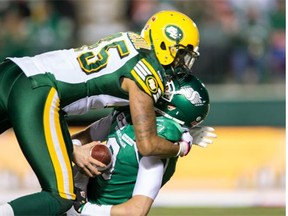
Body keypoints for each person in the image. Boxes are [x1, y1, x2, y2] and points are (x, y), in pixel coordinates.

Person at [0, 10, 201, 215]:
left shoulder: (130, 40)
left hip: (13, 70)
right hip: (38, 89)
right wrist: (182, 147)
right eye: (182, 54)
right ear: (165, 45)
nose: (182, 63)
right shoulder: (148, 74)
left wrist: (73, 149)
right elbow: (147, 144)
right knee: (60, 196)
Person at [68, 74, 216, 216]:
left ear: (171, 105)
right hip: (81, 192)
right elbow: (82, 138)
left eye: (165, 88)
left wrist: (83, 209)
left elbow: (136, 211)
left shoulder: (160, 144)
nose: (156, 86)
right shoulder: (127, 112)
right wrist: (75, 151)